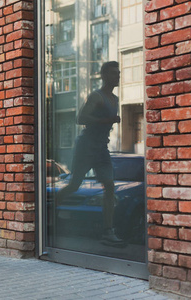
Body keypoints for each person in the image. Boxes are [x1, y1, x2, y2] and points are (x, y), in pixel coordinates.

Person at [56, 61, 124, 246]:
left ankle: (108, 231)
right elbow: (80, 118)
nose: (117, 76)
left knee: (109, 186)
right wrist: (106, 120)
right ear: (103, 76)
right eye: (113, 73)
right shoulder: (96, 96)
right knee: (74, 184)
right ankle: (51, 210)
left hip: (101, 147)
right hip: (86, 146)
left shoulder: (115, 99)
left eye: (118, 73)